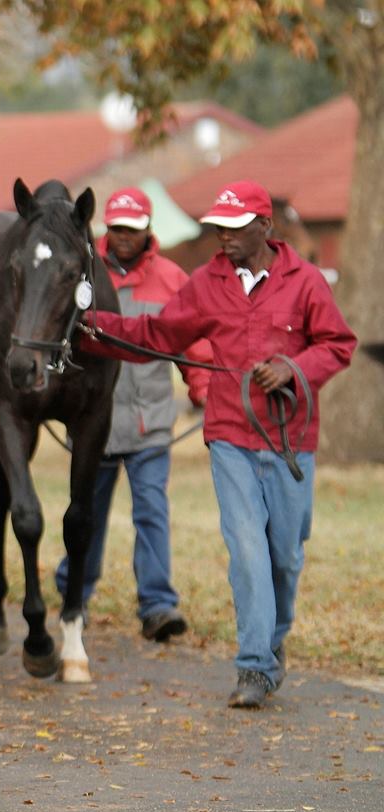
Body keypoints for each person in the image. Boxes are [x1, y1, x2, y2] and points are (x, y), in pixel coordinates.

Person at [80, 180, 356, 709]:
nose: (223, 238)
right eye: (218, 229)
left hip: (290, 442)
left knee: (285, 558)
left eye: (234, 228)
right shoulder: (207, 283)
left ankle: (271, 646)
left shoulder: (305, 281)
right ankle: (253, 666)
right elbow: (159, 335)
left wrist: (294, 368)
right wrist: (93, 328)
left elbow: (338, 344)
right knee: (248, 550)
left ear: (265, 228)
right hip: (230, 435)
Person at [54, 188, 211, 642]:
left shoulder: (172, 279)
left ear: (148, 231)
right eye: (117, 228)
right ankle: (74, 592)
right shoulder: (84, 274)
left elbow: (192, 340)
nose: (123, 237)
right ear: (107, 229)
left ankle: (158, 606)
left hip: (151, 423)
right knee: (88, 511)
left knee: (152, 511)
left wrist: (202, 387)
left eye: (133, 230)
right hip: (94, 424)